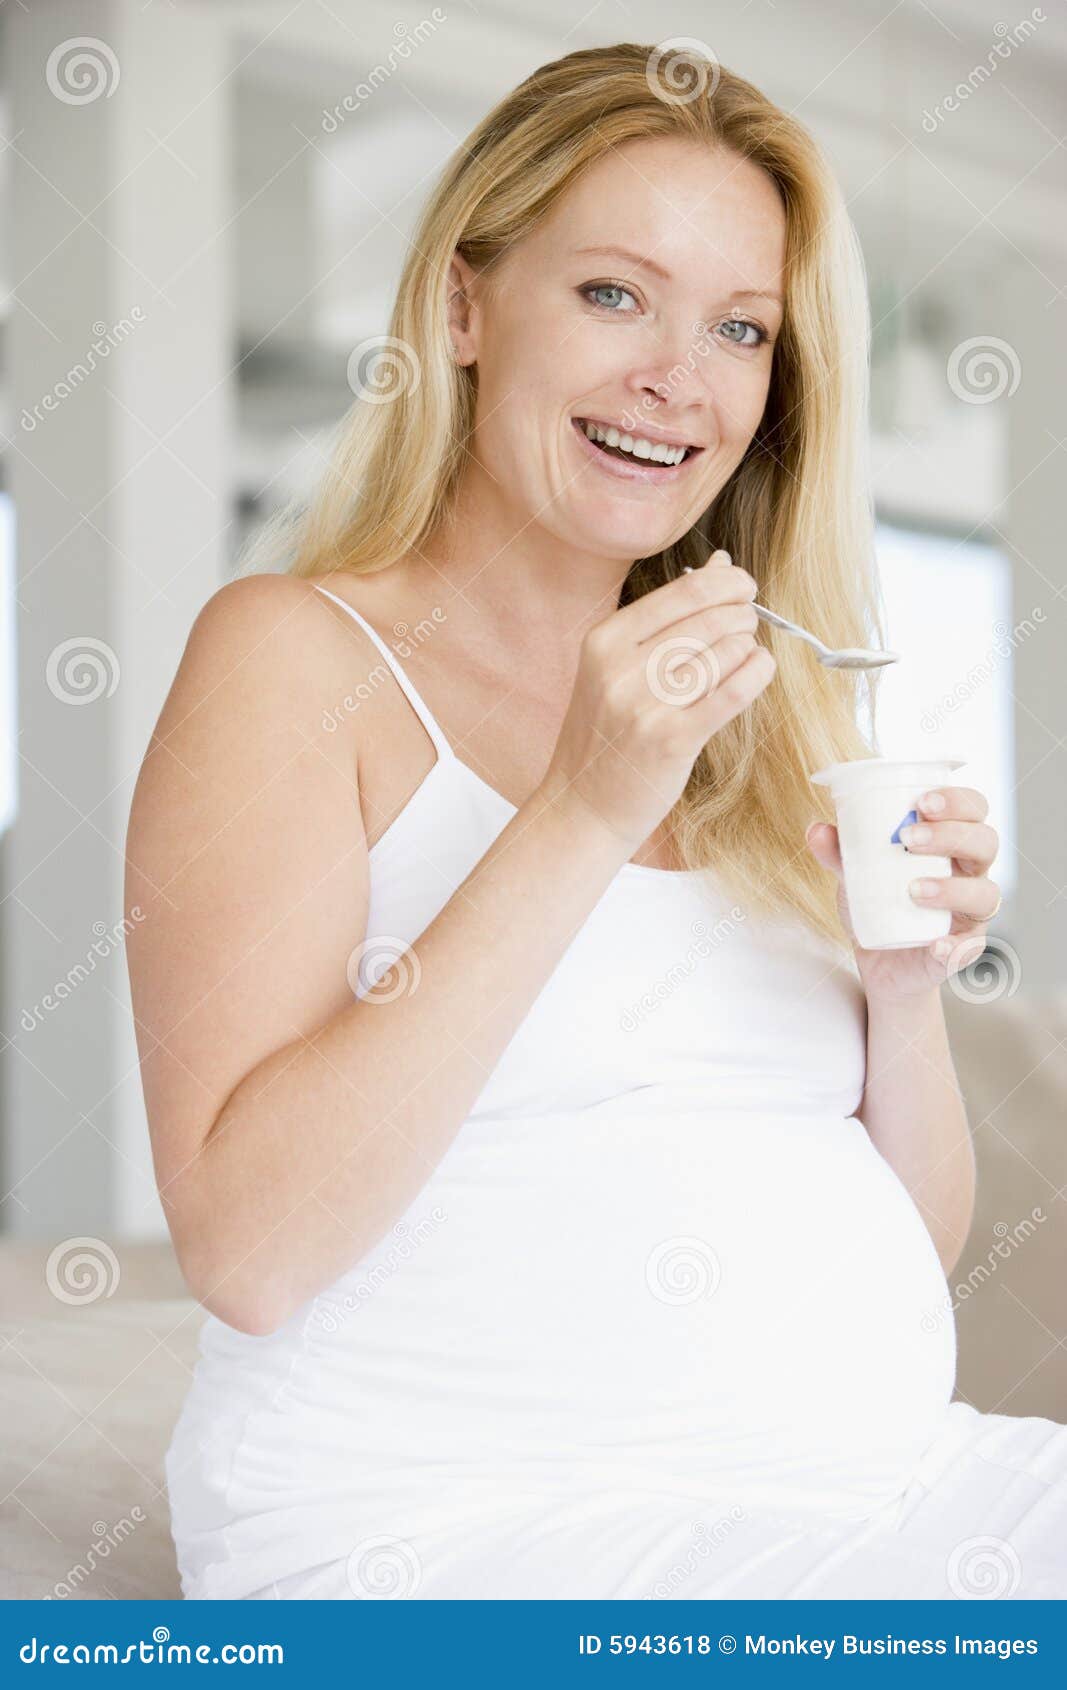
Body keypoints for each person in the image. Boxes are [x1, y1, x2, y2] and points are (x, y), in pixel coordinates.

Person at [125, 43, 1065, 1600]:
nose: (677, 377)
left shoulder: (768, 719)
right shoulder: (296, 655)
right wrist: (577, 807)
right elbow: (249, 1243)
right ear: (464, 308)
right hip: (453, 1531)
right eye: (614, 295)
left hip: (864, 1489)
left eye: (739, 328)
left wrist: (903, 992)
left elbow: (911, 1244)